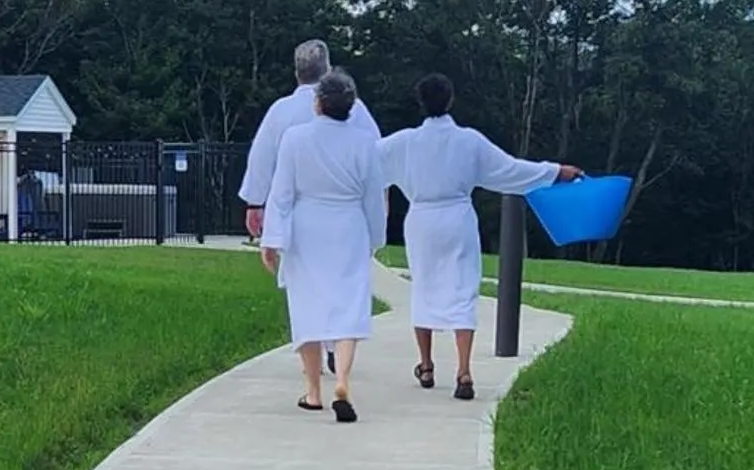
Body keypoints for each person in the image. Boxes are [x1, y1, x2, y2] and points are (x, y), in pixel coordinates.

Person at [380, 74, 580, 401]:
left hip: (422, 220)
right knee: (462, 290)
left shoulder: (404, 142)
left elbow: (361, 163)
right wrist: (555, 171)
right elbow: (511, 170)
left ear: (420, 102)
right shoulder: (468, 140)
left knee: (425, 287)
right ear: (451, 100)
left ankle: (427, 364)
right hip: (457, 217)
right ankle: (463, 370)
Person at [261, 69, 387, 423]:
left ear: (318, 103)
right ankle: (343, 380)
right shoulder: (364, 142)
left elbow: (281, 193)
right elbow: (373, 198)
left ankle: (314, 391)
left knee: (307, 308)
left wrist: (271, 239)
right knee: (348, 305)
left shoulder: (295, 138)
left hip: (306, 228)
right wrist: (375, 237)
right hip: (348, 226)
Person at [238, 38, 379, 241]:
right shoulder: (355, 109)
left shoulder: (281, 111)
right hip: (346, 213)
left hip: (297, 213)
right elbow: (377, 158)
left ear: (296, 74)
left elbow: (262, 158)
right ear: (328, 70)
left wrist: (255, 203)